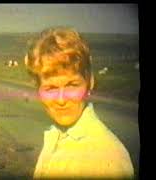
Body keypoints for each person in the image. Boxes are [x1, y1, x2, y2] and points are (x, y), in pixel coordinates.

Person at [24, 27, 134, 179]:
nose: (61, 100)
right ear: (38, 91)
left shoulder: (106, 157)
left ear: (90, 83)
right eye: (50, 88)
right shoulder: (55, 136)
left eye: (72, 85)